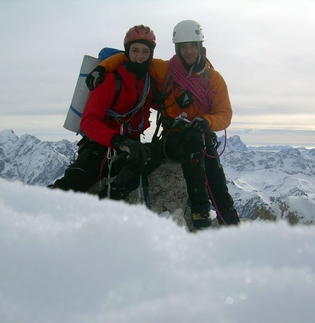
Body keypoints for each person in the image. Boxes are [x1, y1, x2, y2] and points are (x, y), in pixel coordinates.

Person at [86, 20, 240, 229]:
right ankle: (201, 209)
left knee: (214, 172)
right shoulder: (165, 69)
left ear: (200, 47)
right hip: (173, 139)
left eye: (192, 46)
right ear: (177, 48)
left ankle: (229, 221)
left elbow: (225, 115)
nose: (188, 51)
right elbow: (133, 59)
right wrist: (103, 67)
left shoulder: (214, 79)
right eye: (183, 47)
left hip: (201, 138)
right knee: (193, 143)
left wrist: (206, 121)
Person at [50, 25, 162, 201]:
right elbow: (89, 122)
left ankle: (111, 196)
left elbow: (164, 105)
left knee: (152, 154)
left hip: (129, 147)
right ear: (127, 52)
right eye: (135, 50)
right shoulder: (111, 79)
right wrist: (119, 141)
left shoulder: (149, 84)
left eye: (145, 51)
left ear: (151, 54)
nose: (139, 57)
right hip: (100, 147)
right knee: (71, 186)